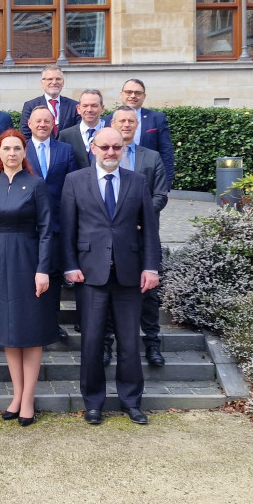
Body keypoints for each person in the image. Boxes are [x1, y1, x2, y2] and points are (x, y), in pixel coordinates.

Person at [61, 127, 161, 426]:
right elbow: (67, 228)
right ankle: (93, 403)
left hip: (130, 275)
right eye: (104, 147)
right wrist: (69, 265)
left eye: (116, 147)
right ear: (93, 148)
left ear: (123, 149)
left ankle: (131, 401)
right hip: (90, 274)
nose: (110, 153)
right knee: (91, 341)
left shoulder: (137, 181)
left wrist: (151, 267)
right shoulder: (75, 180)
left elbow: (150, 229)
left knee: (129, 342)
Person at [0, 129, 54, 426]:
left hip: (28, 259)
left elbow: (47, 230)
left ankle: (29, 399)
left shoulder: (36, 184)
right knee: (9, 329)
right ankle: (17, 395)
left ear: (24, 152)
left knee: (30, 329)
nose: (11, 153)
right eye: (6, 148)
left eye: (17, 148)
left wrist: (43, 268)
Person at [103, 106, 169, 368]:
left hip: (144, 236)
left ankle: (152, 345)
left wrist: (140, 218)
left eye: (132, 121)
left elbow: (160, 194)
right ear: (112, 123)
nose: (127, 125)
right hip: (110, 239)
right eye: (122, 120)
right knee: (108, 290)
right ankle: (106, 345)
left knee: (149, 294)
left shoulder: (151, 157)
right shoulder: (100, 155)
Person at [24, 105, 78, 343]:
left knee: (53, 278)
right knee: (27, 276)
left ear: (53, 124)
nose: (42, 125)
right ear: (29, 124)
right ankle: (29, 323)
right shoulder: (19, 149)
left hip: (56, 225)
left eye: (47, 121)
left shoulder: (65, 150)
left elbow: (72, 187)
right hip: (25, 226)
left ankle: (52, 324)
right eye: (38, 121)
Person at [103, 78, 175, 189]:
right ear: (121, 94)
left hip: (147, 179)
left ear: (144, 96)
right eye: (128, 92)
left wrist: (166, 184)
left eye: (137, 93)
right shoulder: (107, 120)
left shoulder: (157, 118)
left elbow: (166, 152)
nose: (133, 96)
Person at [19, 65, 80, 140]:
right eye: (50, 79)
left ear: (63, 82)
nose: (54, 82)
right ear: (42, 83)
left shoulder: (74, 106)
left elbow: (78, 133)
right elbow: (25, 133)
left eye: (58, 79)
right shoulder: (30, 106)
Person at [58, 89, 105, 170]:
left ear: (102, 108)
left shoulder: (111, 134)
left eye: (94, 105)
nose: (89, 110)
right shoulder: (65, 136)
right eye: (85, 106)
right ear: (78, 109)